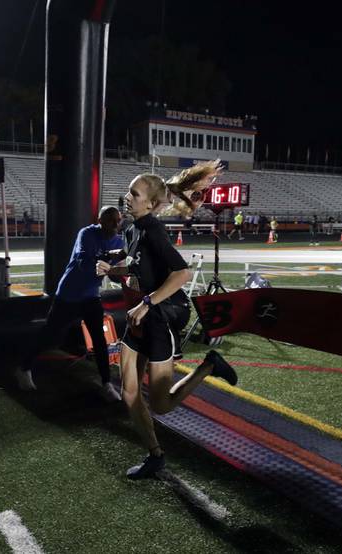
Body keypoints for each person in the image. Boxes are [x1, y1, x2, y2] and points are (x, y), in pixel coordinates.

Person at [96, 160, 238, 479]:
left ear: (152, 203)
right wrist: (111, 269)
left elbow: (182, 273)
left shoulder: (154, 231)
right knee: (130, 392)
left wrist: (146, 301)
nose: (128, 197)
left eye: (134, 193)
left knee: (160, 404)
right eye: (129, 192)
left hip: (163, 316)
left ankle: (209, 366)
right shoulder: (132, 229)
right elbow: (136, 268)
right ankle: (155, 456)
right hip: (142, 318)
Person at [15, 206, 125, 402]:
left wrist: (124, 272)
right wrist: (111, 260)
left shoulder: (118, 240)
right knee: (50, 335)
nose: (116, 224)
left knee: (100, 340)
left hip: (91, 296)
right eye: (111, 220)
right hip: (69, 295)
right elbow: (85, 263)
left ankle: (107, 383)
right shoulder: (87, 233)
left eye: (118, 220)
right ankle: (24, 367)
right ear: (100, 220)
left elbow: (115, 275)